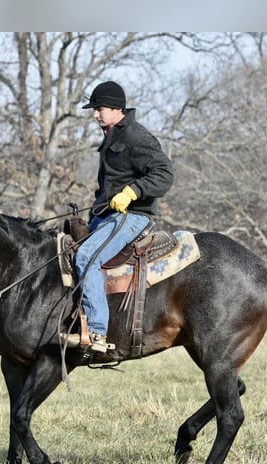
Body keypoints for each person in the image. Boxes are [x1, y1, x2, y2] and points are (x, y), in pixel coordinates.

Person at [63, 80, 174, 353]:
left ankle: (98, 333)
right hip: (108, 216)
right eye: (94, 109)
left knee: (87, 255)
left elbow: (164, 174)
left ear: (116, 109)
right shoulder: (111, 136)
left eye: (99, 108)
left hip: (133, 217)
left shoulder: (136, 137)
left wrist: (132, 191)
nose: (95, 114)